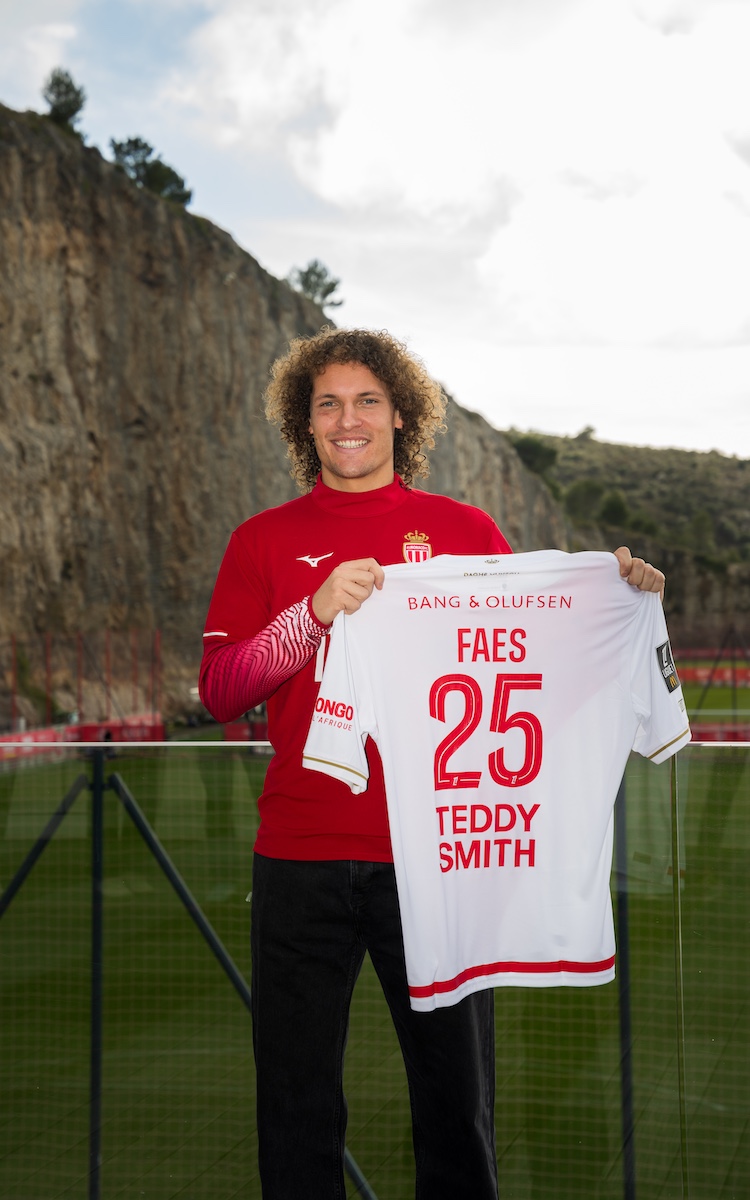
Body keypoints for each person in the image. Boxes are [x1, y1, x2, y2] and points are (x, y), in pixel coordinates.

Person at [199, 327, 665, 1199]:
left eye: (367, 401)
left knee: (456, 1110)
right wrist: (311, 614)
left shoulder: (463, 531)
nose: (348, 419)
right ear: (305, 421)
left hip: (442, 861)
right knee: (296, 1112)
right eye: (328, 403)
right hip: (299, 855)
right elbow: (223, 688)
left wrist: (617, 601)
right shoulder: (261, 540)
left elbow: (537, 669)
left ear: (401, 415)